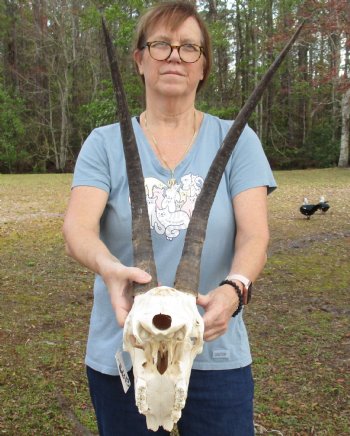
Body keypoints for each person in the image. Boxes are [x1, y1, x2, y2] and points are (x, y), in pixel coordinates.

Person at [63, 1, 277, 435]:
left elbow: (254, 236)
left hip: (214, 350)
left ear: (203, 67)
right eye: (161, 45)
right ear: (140, 60)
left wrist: (236, 290)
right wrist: (108, 268)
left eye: (189, 48)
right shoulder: (103, 144)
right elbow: (78, 229)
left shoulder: (239, 141)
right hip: (127, 349)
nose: (175, 56)